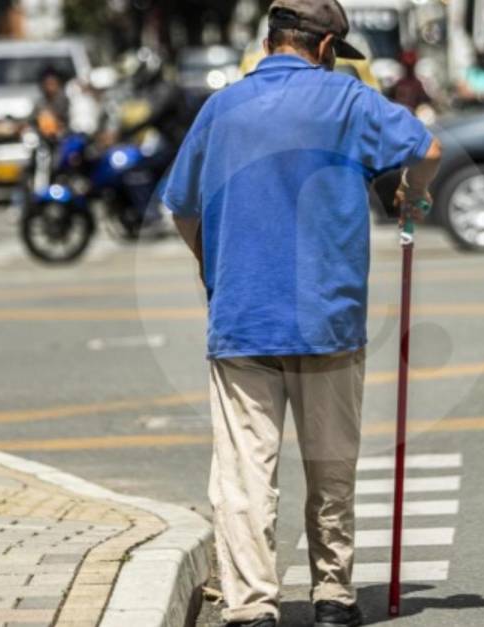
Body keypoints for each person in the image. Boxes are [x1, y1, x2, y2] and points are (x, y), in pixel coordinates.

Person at [160, 1, 442, 625]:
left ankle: (251, 606)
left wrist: (215, 268)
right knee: (330, 465)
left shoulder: (220, 108)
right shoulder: (347, 101)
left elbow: (182, 207)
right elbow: (428, 148)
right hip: (329, 319)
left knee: (243, 476)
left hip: (242, 320)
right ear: (322, 49)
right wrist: (409, 195)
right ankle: (334, 597)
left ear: (269, 43)